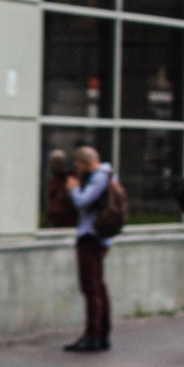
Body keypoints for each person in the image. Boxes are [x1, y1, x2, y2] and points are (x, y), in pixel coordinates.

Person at [64, 145, 115, 353]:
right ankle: (101, 333)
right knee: (98, 286)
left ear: (86, 163)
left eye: (78, 165)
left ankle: (93, 334)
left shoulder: (98, 178)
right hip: (101, 237)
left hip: (91, 236)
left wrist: (73, 189)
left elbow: (83, 202)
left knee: (91, 286)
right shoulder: (109, 175)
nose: (77, 170)